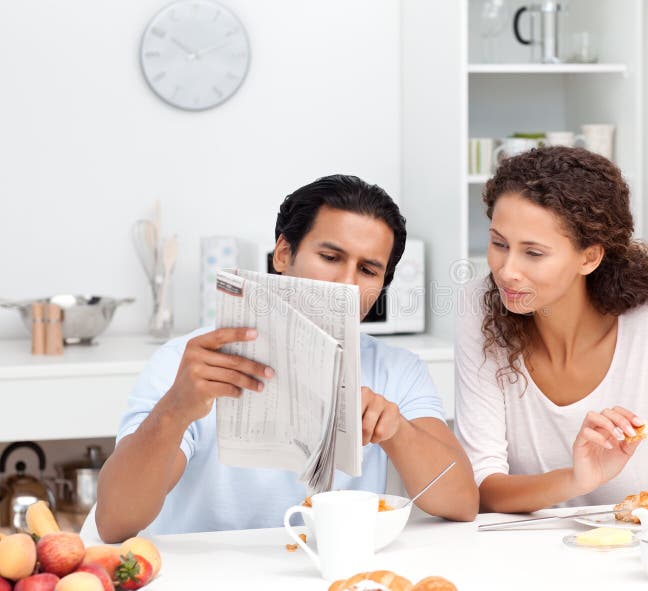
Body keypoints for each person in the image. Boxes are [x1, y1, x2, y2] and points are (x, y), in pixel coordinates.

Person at [96, 175, 478, 541]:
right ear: (283, 253)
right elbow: (115, 522)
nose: (346, 284)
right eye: (330, 256)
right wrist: (175, 410)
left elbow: (461, 503)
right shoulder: (187, 362)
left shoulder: (397, 370)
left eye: (367, 270)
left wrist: (397, 431)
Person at [454, 146, 648, 520]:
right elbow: (480, 487)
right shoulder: (481, 307)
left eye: (533, 253)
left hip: (636, 563)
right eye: (499, 244)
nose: (506, 271)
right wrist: (576, 478)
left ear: (589, 257)